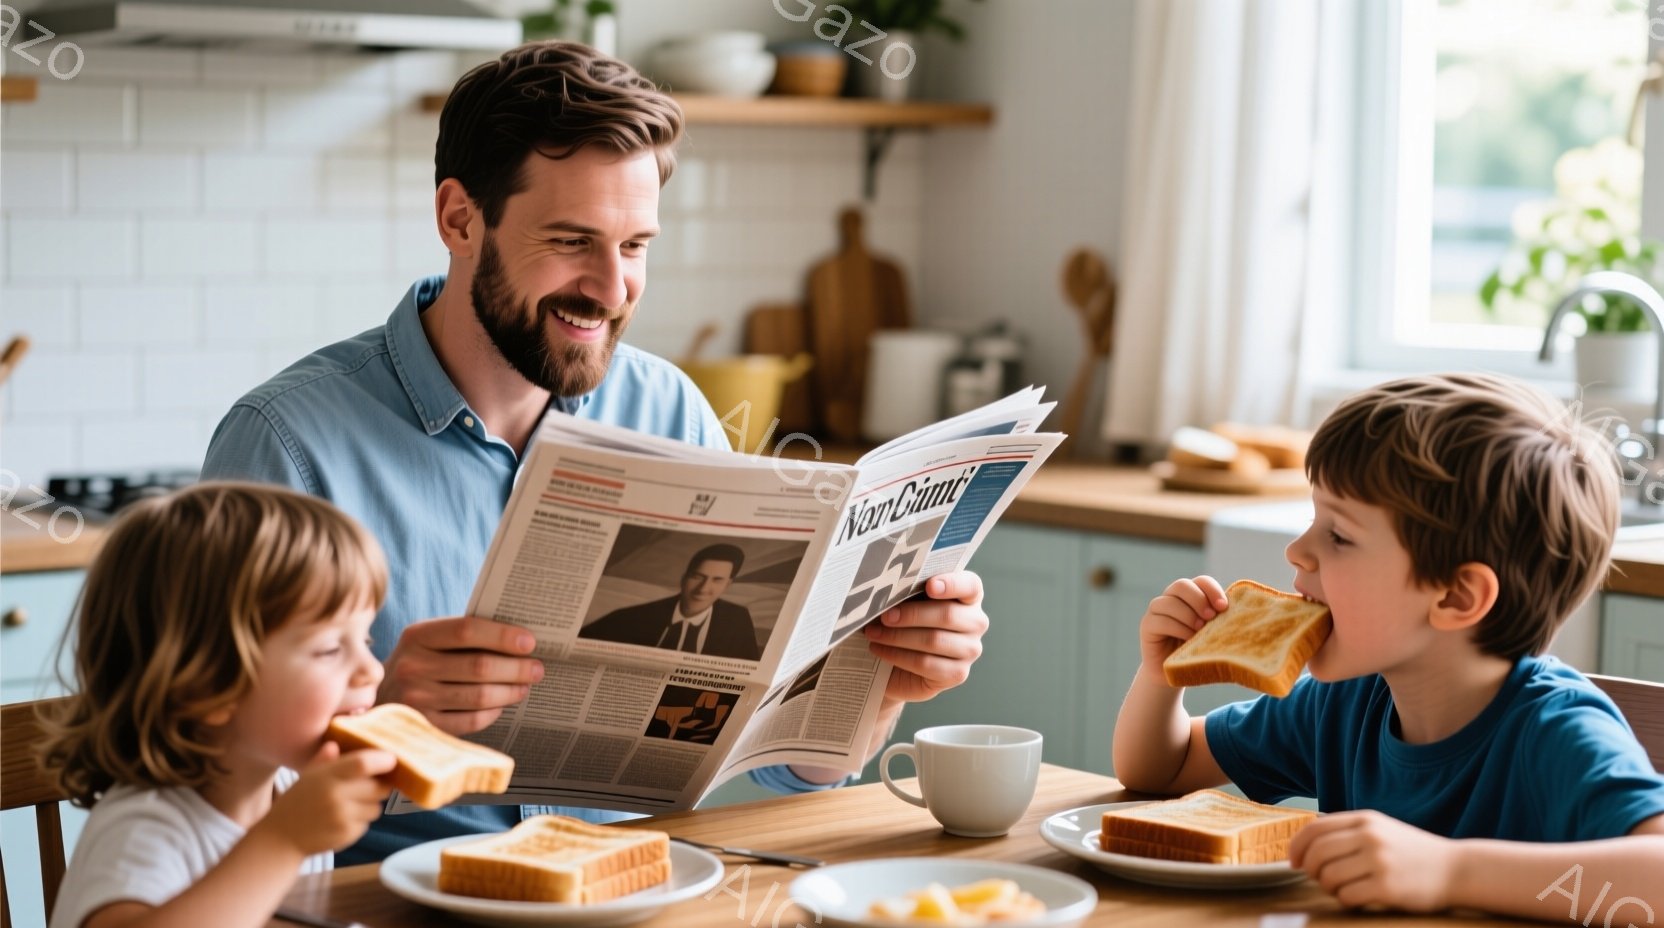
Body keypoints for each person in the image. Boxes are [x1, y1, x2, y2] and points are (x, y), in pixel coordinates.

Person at [200, 40, 990, 864]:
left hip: (636, 889)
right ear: (460, 219)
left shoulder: (669, 408)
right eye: (573, 242)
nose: (612, 291)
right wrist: (381, 724)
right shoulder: (288, 444)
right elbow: (208, 786)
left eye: (636, 246)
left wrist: (883, 687)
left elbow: (783, 760)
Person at [1112, 372, 1664, 920]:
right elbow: (1163, 767)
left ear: (1455, 596)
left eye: (1339, 536)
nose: (1297, 551)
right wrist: (1164, 677)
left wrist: (1450, 871)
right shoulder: (1345, 702)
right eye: (1313, 519)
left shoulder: (1552, 730)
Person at [40, 483, 395, 928]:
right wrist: (284, 840)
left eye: (364, 640)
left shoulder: (289, 788)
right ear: (208, 687)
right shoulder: (146, 828)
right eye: (329, 649)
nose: (373, 671)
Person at [581, 544, 763, 659]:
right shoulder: (630, 618)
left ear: (728, 584)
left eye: (717, 580)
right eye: (697, 577)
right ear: (684, 578)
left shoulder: (737, 618)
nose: (703, 588)